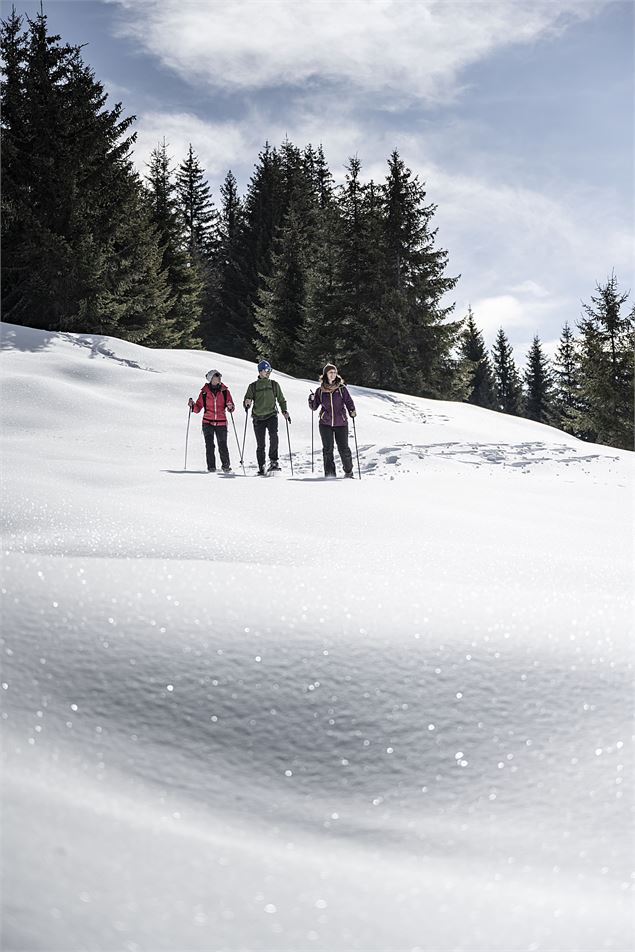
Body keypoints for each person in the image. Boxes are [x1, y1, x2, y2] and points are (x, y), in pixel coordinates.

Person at [308, 363, 356, 478]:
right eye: (330, 372)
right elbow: (314, 407)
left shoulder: (341, 389)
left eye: (334, 372)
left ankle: (348, 471)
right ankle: (330, 475)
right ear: (326, 374)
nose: (333, 374)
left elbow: (349, 401)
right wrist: (311, 399)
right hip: (325, 423)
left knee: (344, 449)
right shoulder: (320, 391)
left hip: (341, 423)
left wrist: (352, 410)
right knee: (328, 450)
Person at [243, 360, 291, 475]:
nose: (268, 372)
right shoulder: (253, 386)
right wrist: (247, 403)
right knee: (261, 444)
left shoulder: (274, 384)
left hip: (271, 415)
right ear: (260, 371)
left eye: (269, 370)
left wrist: (284, 410)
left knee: (274, 436)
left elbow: (281, 399)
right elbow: (247, 399)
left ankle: (274, 461)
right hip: (258, 417)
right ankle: (261, 465)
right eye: (266, 370)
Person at [188, 370, 235, 472]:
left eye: (219, 376)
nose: (218, 378)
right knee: (209, 446)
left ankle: (226, 466)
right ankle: (211, 468)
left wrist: (230, 407)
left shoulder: (225, 391)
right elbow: (198, 408)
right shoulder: (204, 392)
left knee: (222, 445)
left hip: (221, 422)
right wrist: (192, 406)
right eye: (216, 376)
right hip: (207, 423)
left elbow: (230, 405)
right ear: (210, 378)